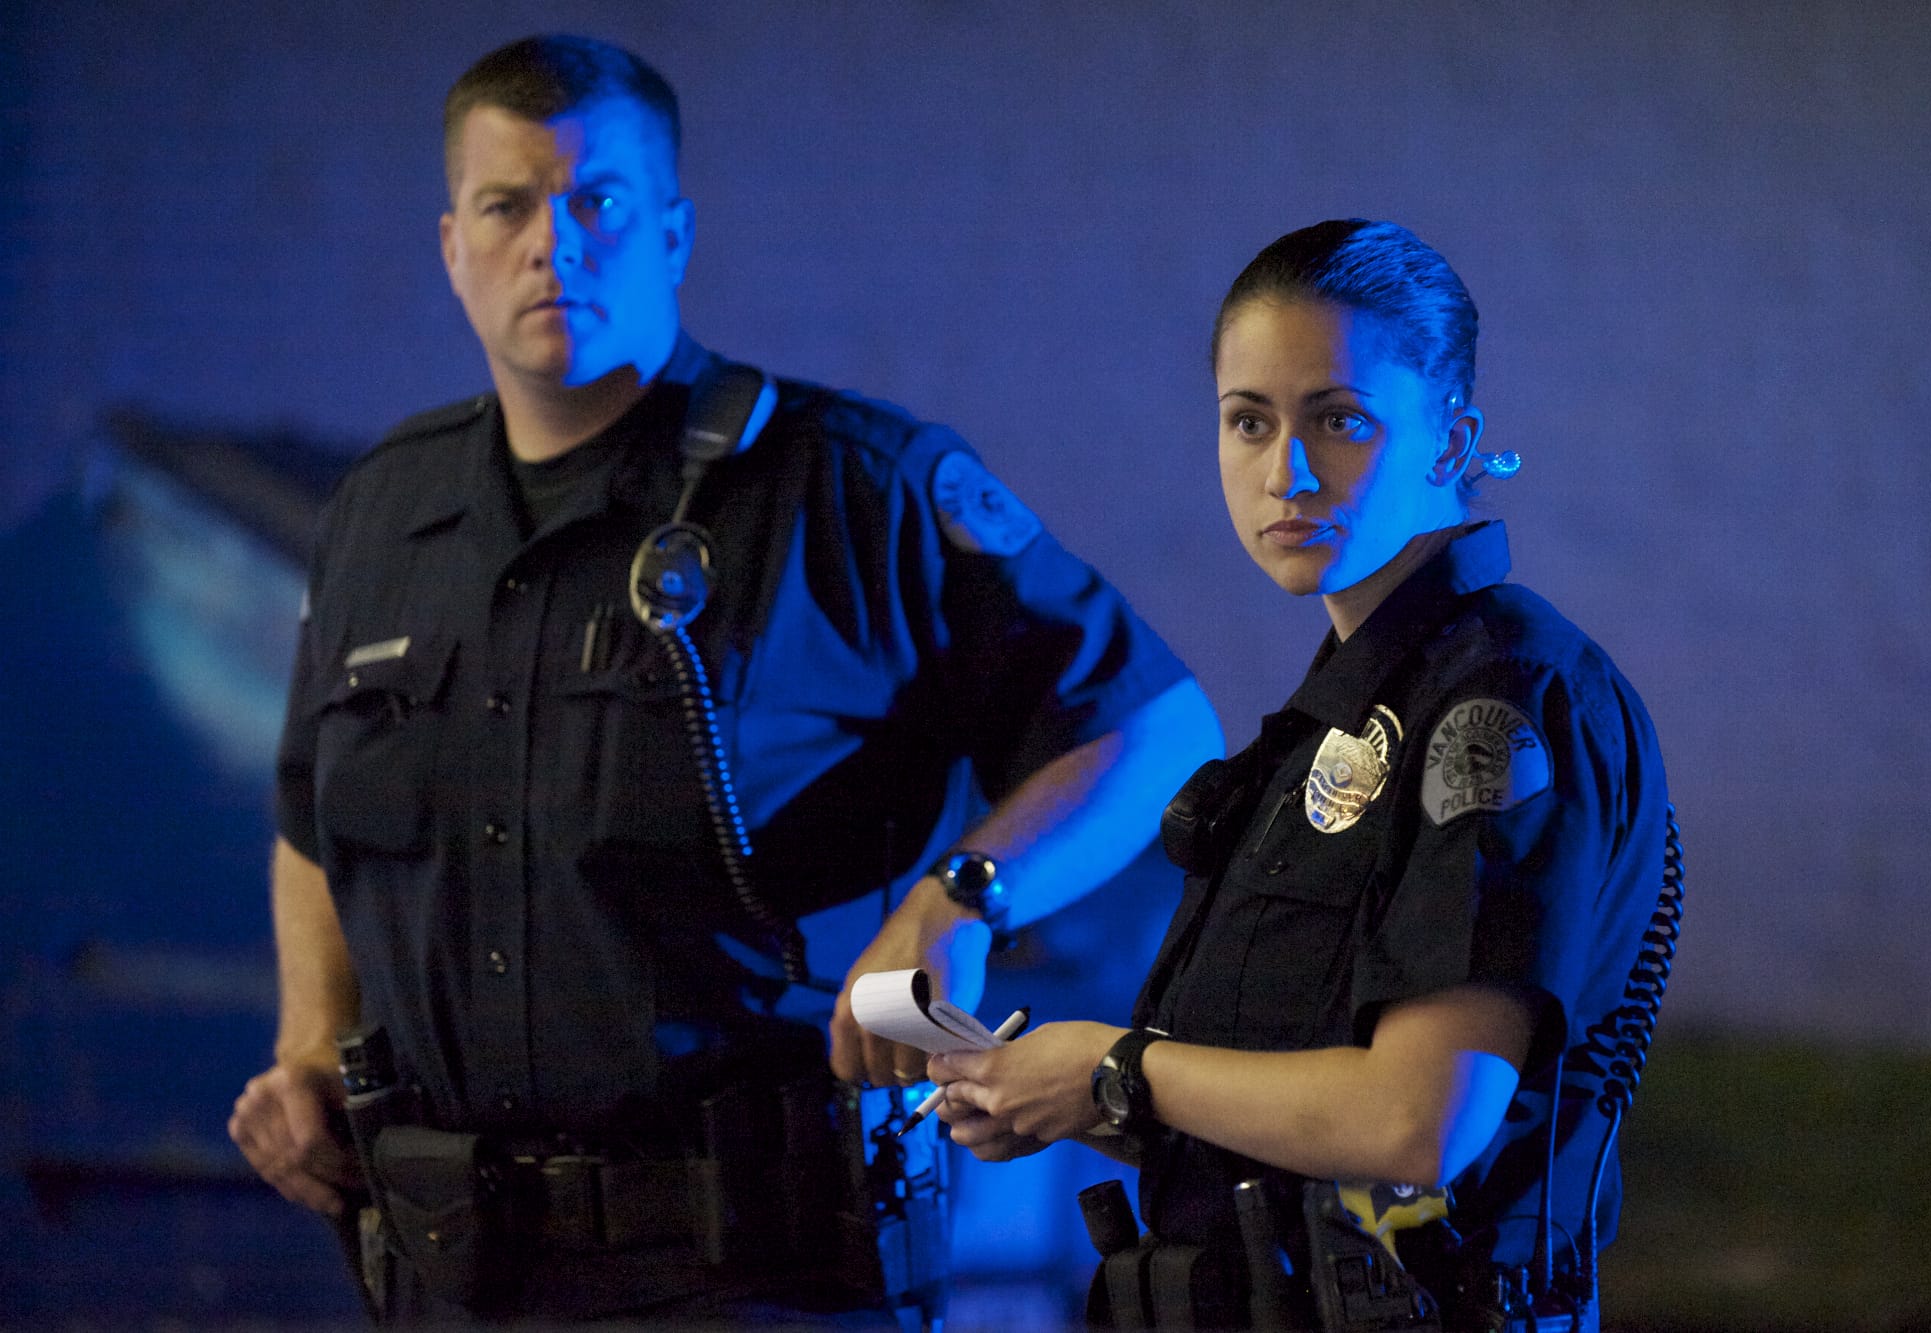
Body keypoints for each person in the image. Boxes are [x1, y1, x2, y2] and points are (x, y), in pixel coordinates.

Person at [224, 33, 1220, 1326]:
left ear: (675, 233)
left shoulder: (849, 487)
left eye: (599, 202)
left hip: (757, 1263)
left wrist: (957, 901)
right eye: (506, 206)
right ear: (452, 246)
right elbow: (314, 819)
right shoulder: (381, 510)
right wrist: (309, 1043)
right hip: (445, 1262)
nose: (552, 242)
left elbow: (1156, 726)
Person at [930, 219, 1670, 1331]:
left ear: (1450, 438)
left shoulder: (1497, 699)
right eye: (1248, 421)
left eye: (1340, 420)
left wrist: (1115, 1068)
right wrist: (1051, 1091)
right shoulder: (1337, 720)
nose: (1286, 471)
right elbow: (1278, 1096)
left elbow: (1417, 1122)